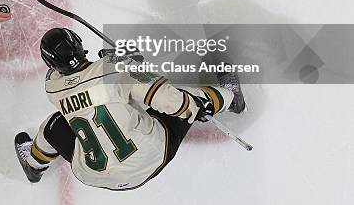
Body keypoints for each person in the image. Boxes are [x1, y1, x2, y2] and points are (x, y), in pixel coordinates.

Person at [14, 28, 245, 191]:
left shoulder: (53, 89)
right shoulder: (115, 69)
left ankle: (34, 166)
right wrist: (128, 64)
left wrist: (116, 63)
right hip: (153, 156)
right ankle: (231, 98)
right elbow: (168, 99)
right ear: (79, 46)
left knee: (53, 126)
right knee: (187, 99)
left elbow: (79, 80)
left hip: (100, 176)